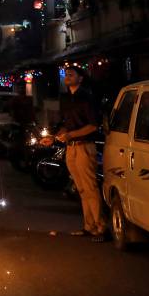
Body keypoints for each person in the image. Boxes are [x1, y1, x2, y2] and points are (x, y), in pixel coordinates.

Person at [56, 66, 107, 242]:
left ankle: (101, 227)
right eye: (66, 74)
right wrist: (57, 136)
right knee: (81, 189)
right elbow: (65, 124)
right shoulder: (65, 98)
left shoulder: (87, 97)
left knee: (91, 187)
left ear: (81, 78)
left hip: (85, 147)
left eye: (72, 74)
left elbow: (93, 125)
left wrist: (71, 135)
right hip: (71, 148)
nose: (67, 76)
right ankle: (89, 226)